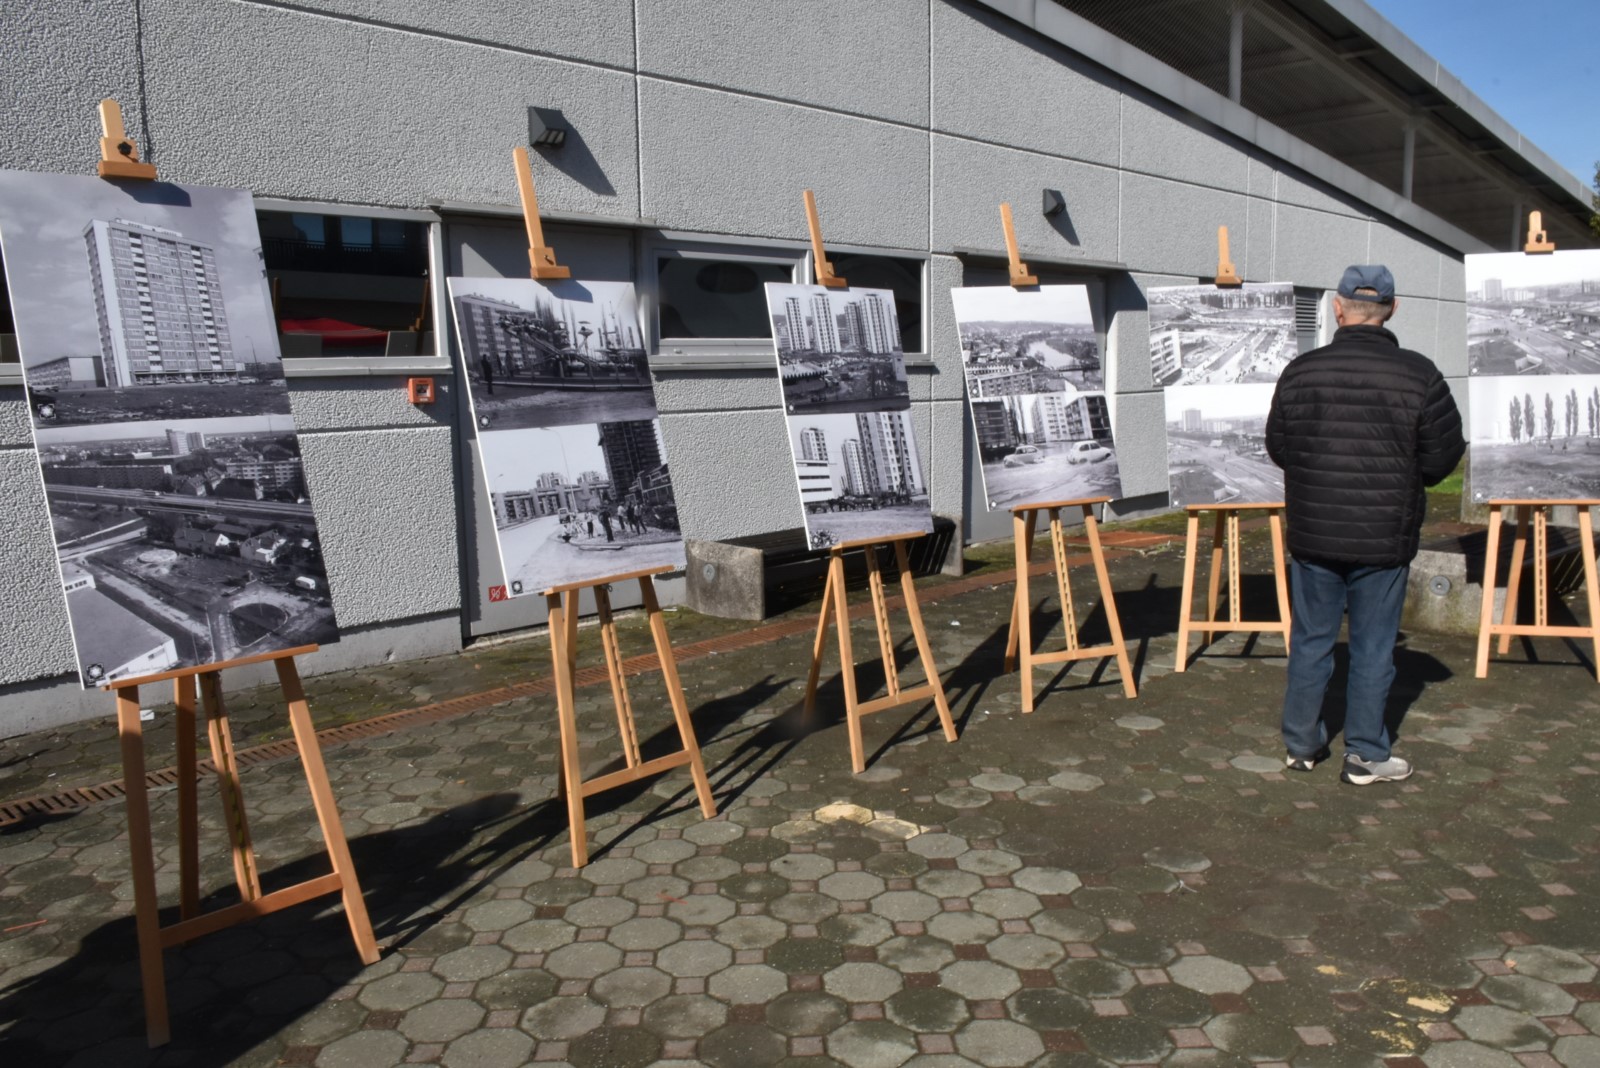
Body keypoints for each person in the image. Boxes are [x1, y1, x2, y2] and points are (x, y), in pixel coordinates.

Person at [1265, 264, 1464, 786]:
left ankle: (1302, 746)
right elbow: (1442, 457)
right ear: (1393, 309)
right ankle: (1367, 755)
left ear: (1338, 307)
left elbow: (1279, 448)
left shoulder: (1300, 371)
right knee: (1375, 646)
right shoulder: (1420, 374)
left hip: (1314, 533)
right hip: (1384, 536)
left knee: (1311, 640)